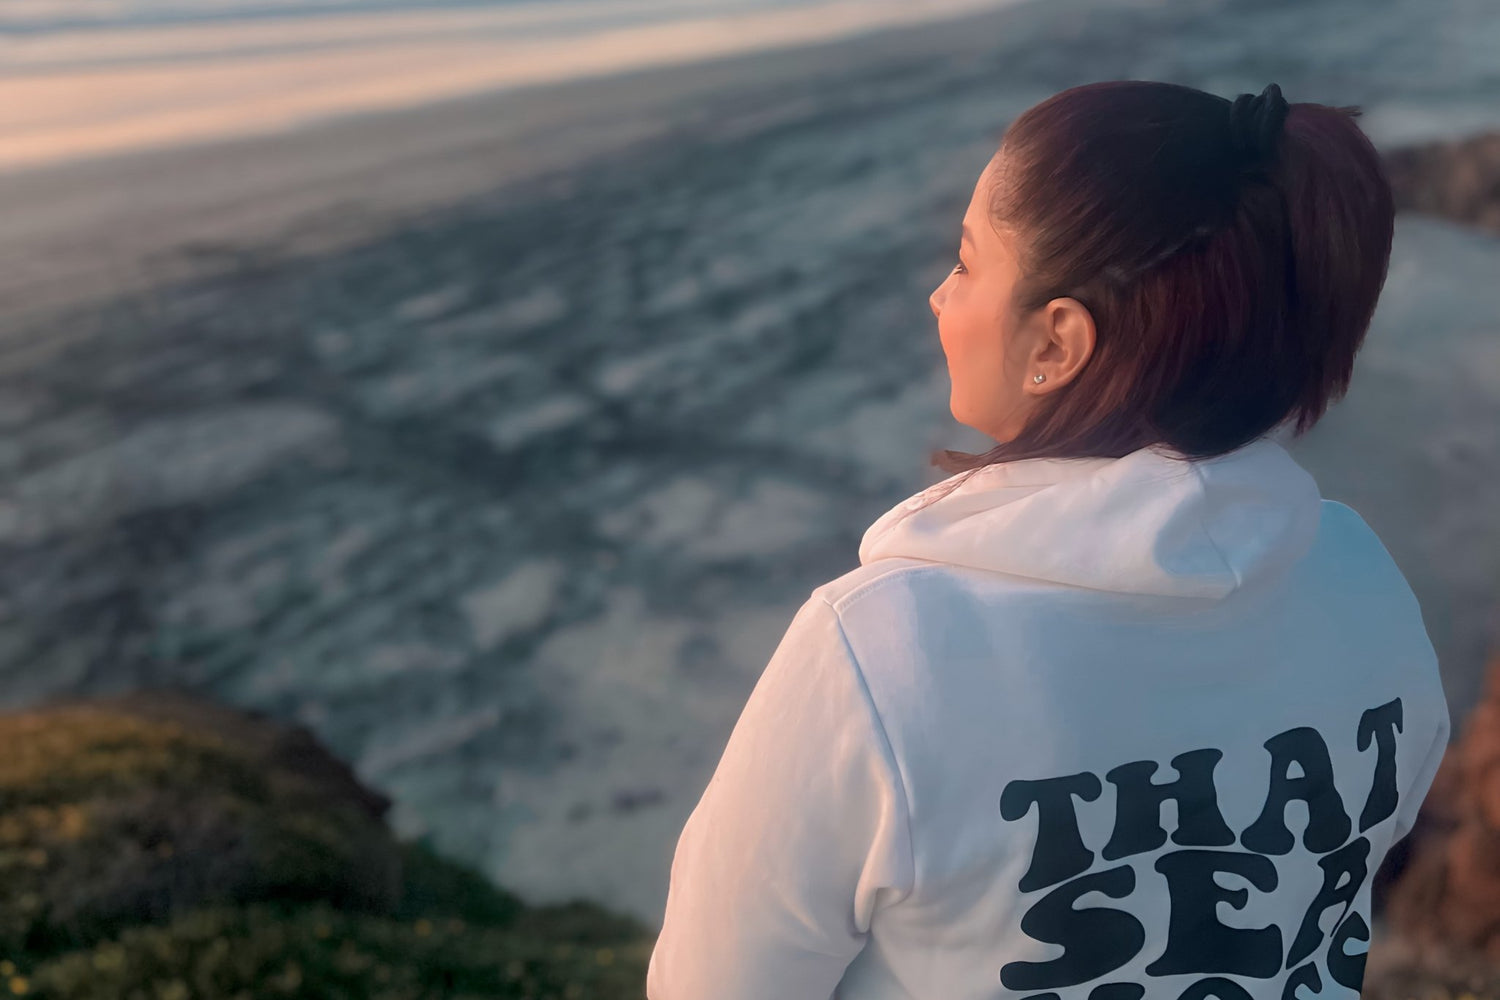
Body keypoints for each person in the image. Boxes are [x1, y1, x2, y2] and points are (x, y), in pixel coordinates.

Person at [645, 80, 1451, 1000]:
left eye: (966, 263)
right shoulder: (1360, 581)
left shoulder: (882, 654)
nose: (938, 296)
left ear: (1058, 340)